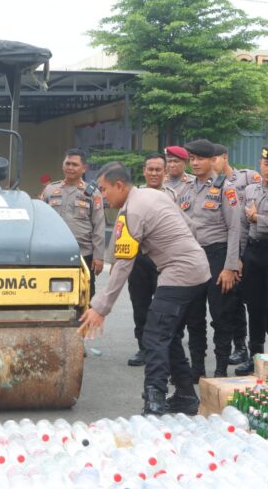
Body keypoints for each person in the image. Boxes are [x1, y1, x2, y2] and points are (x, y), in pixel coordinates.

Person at [78, 162, 211, 416]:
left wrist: (100, 307)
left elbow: (122, 265)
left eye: (105, 190)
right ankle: (184, 396)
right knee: (168, 335)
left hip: (179, 273)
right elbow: (191, 226)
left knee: (154, 335)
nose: (103, 197)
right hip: (198, 267)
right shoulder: (153, 195)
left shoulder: (131, 213)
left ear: (119, 185)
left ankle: (154, 401)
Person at [177, 140, 242, 380]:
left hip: (218, 256)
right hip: (193, 258)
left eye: (200, 158)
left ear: (211, 160)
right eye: (192, 158)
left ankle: (220, 369)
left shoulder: (226, 188)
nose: (195, 163)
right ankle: (196, 369)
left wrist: (230, 267)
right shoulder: (185, 190)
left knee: (221, 316)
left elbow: (235, 228)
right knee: (193, 317)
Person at [235, 145, 268, 375]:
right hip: (253, 253)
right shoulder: (250, 190)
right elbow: (242, 225)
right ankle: (255, 358)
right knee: (254, 307)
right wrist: (239, 257)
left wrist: (257, 217)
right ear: (260, 164)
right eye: (266, 164)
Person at [212, 144, 262, 366]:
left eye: (215, 159)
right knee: (233, 301)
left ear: (224, 157)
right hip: (232, 248)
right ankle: (239, 345)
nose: (211, 164)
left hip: (254, 244)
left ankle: (255, 350)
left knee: (254, 301)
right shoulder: (211, 186)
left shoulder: (248, 177)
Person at [127, 153, 177, 367]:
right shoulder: (134, 195)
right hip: (139, 258)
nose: (154, 173)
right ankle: (143, 348)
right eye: (150, 169)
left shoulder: (174, 195)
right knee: (140, 305)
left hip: (164, 259)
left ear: (165, 172)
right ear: (144, 171)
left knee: (164, 308)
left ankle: (165, 348)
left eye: (158, 169)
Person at [40, 149, 105, 297]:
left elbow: (99, 225)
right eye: (67, 163)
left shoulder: (93, 193)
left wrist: (99, 256)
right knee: (50, 292)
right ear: (63, 166)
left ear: (84, 168)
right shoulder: (50, 190)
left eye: (74, 164)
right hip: (53, 252)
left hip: (82, 253)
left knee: (84, 294)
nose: (70, 167)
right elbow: (41, 221)